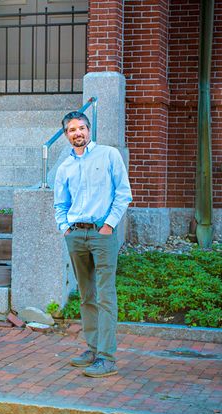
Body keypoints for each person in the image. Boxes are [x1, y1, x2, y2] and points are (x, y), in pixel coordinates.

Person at [53, 111, 133, 377]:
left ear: (90, 130)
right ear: (66, 135)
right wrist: (65, 228)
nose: (79, 133)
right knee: (87, 295)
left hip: (102, 234)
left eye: (83, 128)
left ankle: (107, 357)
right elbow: (60, 204)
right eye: (73, 130)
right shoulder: (64, 167)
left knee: (105, 294)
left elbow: (123, 193)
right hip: (76, 235)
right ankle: (93, 348)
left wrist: (109, 225)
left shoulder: (109, 155)